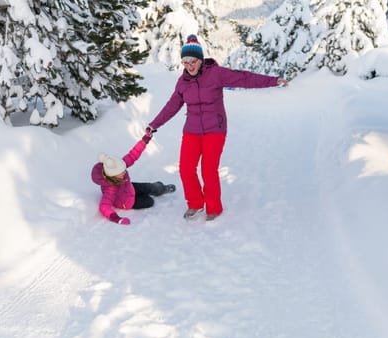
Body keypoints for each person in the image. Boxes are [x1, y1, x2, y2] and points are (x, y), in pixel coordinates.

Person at [145, 34, 287, 221]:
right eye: (185, 61)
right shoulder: (183, 83)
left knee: (208, 170)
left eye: (192, 60)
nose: (188, 65)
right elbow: (171, 106)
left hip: (215, 129)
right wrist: (154, 124)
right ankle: (195, 203)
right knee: (186, 168)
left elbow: (244, 78)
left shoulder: (216, 74)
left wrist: (273, 80)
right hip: (192, 130)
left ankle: (214, 208)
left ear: (200, 59)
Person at [91, 133, 176, 225]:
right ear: (113, 175)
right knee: (149, 201)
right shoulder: (111, 189)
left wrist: (144, 142)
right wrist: (116, 218)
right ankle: (150, 193)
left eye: (124, 170)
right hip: (128, 202)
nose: (124, 172)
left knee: (151, 187)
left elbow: (132, 155)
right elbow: (104, 206)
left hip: (130, 188)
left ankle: (161, 188)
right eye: (121, 173)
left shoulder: (119, 166)